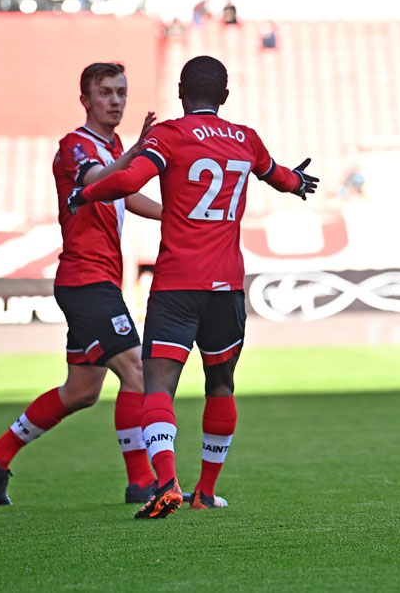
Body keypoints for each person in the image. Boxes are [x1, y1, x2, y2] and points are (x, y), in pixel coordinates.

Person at [67, 56, 318, 518]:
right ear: (224, 96)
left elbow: (127, 180)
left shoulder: (169, 136)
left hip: (176, 285)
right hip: (226, 288)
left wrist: (86, 193)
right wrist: (298, 181)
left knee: (159, 384)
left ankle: (165, 482)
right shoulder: (246, 139)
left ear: (181, 93)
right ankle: (204, 491)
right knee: (220, 386)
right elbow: (279, 176)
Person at [0, 62, 161, 506]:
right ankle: (141, 482)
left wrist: (175, 216)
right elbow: (97, 180)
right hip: (85, 280)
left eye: (121, 93)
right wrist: (134, 154)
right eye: (106, 93)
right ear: (86, 100)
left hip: (99, 282)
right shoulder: (75, 146)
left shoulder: (111, 147)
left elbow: (124, 191)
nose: (116, 101)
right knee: (138, 371)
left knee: (82, 391)